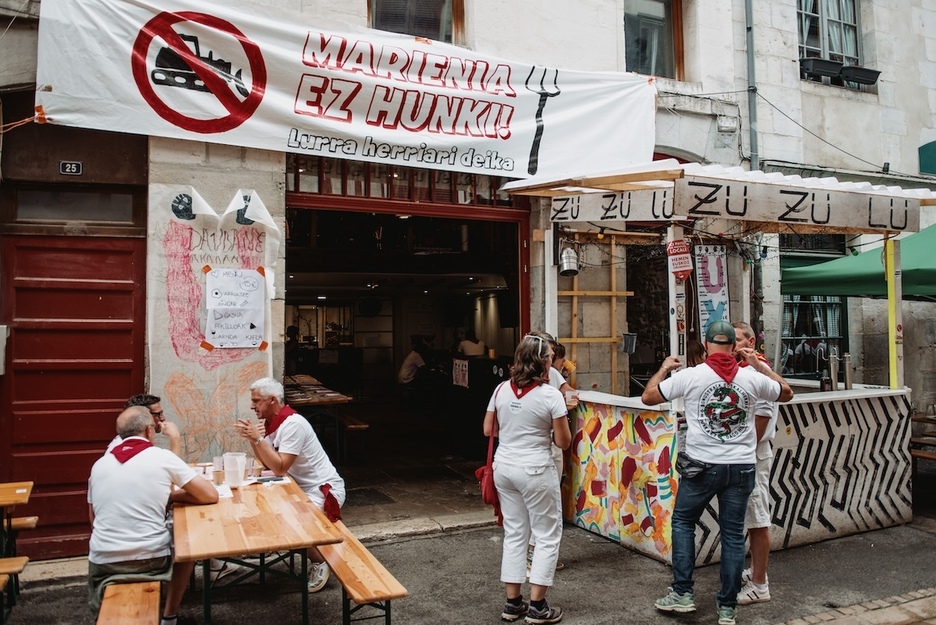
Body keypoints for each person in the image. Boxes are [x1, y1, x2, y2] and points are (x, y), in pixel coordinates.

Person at [641, 320, 793, 625]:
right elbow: (786, 392)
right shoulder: (752, 378)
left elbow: (649, 396)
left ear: (707, 345)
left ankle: (682, 593)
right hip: (741, 467)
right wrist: (760, 367)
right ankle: (727, 608)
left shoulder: (691, 375)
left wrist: (664, 368)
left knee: (683, 523)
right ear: (733, 346)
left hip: (702, 466)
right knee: (734, 535)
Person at [87, 406, 218, 625]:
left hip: (102, 560)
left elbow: (93, 518)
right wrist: (171, 497)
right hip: (150, 559)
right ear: (149, 431)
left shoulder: (99, 464)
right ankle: (170, 616)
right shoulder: (161, 457)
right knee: (189, 544)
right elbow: (209, 495)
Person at [484, 332, 572, 624]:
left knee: (514, 533)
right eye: (550, 357)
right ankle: (538, 607)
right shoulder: (550, 395)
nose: (552, 362)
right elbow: (563, 442)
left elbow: (488, 429)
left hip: (504, 467)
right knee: (546, 535)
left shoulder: (501, 389)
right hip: (535, 469)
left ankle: (513, 603)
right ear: (543, 362)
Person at [234, 377, 346, 593]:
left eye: (256, 401)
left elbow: (280, 467)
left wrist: (258, 440)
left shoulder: (293, 424)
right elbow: (266, 462)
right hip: (298, 487)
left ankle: (320, 561)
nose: (252, 406)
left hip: (323, 490)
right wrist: (253, 439)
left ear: (272, 400)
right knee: (266, 510)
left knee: (288, 522)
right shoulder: (272, 423)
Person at [732, 321, 779, 605]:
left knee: (757, 518)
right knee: (751, 517)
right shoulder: (744, 370)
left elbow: (762, 417)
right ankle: (754, 573)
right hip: (749, 451)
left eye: (737, 340)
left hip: (754, 453)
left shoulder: (757, 371)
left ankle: (760, 585)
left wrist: (745, 451)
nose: (733, 345)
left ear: (750, 342)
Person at [107, 394, 182, 457]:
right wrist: (175, 436)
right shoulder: (131, 447)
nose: (163, 418)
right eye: (158, 414)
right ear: (145, 415)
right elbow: (175, 468)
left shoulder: (130, 441)